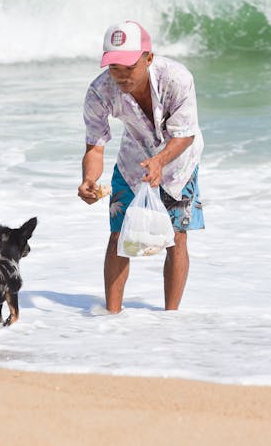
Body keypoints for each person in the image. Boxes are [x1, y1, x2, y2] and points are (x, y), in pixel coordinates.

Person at [78, 20, 204, 313]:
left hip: (179, 162)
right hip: (132, 161)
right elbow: (95, 146)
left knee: (177, 238)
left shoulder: (177, 78)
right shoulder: (100, 91)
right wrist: (89, 179)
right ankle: (111, 315)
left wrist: (160, 161)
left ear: (148, 57)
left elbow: (185, 133)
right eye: (113, 67)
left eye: (128, 67)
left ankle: (170, 317)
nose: (121, 76)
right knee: (118, 234)